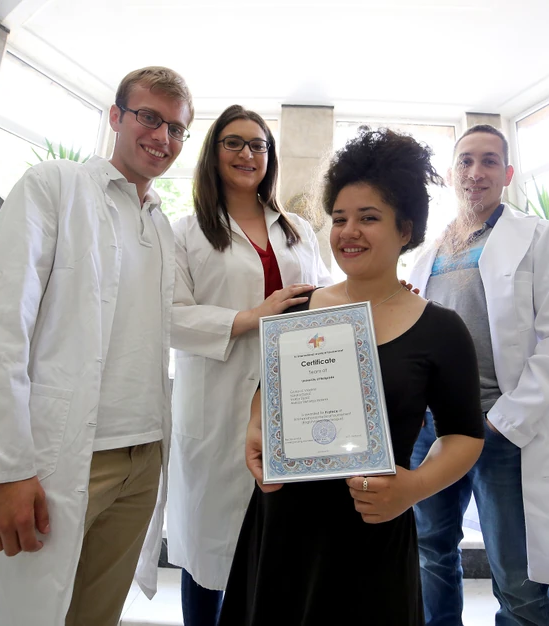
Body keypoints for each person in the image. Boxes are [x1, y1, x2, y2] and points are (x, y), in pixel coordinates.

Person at [0, 67, 194, 626]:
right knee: (10, 614)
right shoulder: (56, 185)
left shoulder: (161, 225)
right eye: (149, 118)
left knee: (94, 616)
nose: (163, 137)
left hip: (142, 460)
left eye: (177, 128)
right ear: (116, 117)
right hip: (57, 459)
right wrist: (1, 469)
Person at [219, 128, 486, 626]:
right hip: (283, 526)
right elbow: (267, 393)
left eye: (369, 217)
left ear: (405, 229)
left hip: (372, 528)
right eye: (340, 218)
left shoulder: (440, 329)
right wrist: (256, 430)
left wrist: (413, 487)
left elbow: (464, 435)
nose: (349, 232)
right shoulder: (299, 308)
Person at [408, 124, 549, 626]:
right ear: (451, 175)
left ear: (507, 174)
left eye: (489, 161)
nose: (476, 171)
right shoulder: (427, 253)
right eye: (465, 161)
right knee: (429, 553)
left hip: (500, 426)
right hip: (431, 428)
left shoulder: (539, 238)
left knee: (517, 574)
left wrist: (503, 419)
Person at [167, 104, 331, 626]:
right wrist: (249, 318)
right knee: (208, 547)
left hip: (294, 399)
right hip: (217, 406)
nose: (247, 153)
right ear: (213, 153)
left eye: (258, 144)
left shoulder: (298, 229)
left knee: (276, 542)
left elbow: (329, 298)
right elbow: (167, 316)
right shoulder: (185, 231)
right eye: (233, 142)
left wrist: (385, 294)